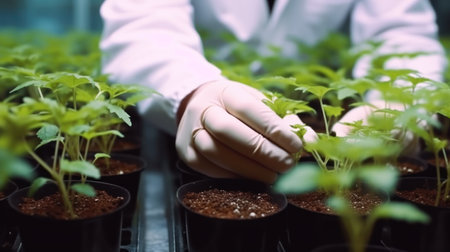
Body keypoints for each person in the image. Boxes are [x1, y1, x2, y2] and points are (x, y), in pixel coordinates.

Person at [99, 0, 447, 184]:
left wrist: (398, 104)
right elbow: (143, 26)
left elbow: (402, 35)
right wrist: (192, 92)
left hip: (319, 110)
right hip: (188, 132)